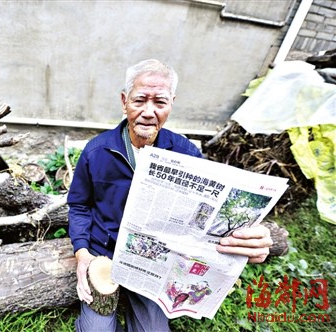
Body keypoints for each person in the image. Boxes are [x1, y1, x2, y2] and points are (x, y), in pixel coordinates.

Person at [67, 59, 272, 332]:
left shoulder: (186, 153)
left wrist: (247, 239)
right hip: (104, 256)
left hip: (153, 260)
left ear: (171, 104)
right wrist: (82, 254)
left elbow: (206, 215)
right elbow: (79, 205)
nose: (149, 112)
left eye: (160, 102)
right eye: (140, 100)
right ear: (124, 101)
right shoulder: (97, 151)